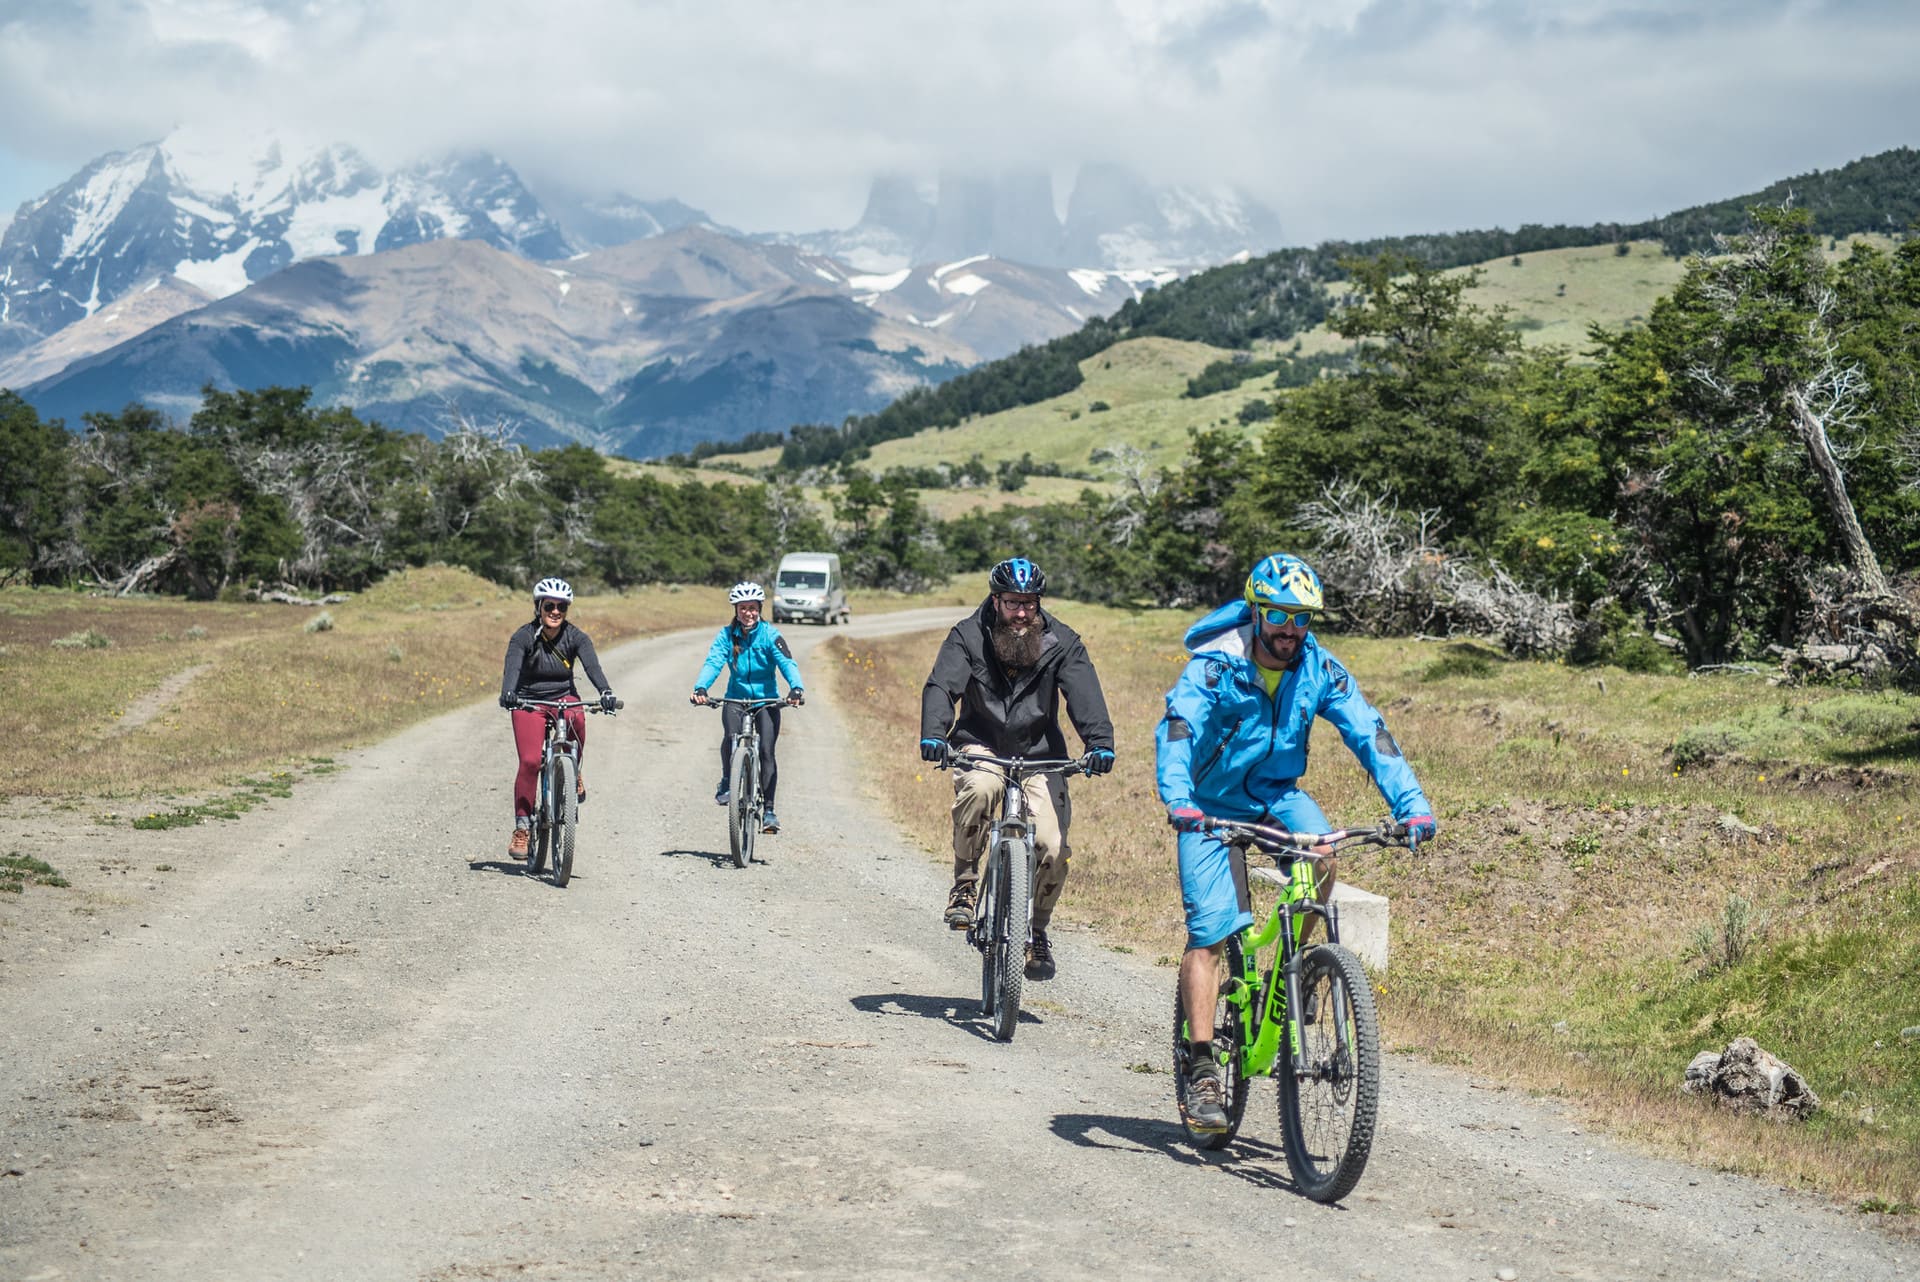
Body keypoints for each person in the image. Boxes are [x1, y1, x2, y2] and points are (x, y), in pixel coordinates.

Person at [1155, 553, 1436, 1133]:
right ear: (1257, 611)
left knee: (1323, 856)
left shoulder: (1317, 667)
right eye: (1280, 615)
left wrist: (1410, 805)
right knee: (1211, 929)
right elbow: (1180, 727)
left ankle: (1300, 971)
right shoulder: (1216, 665)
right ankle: (1205, 1067)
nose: (1290, 629)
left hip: (1276, 795)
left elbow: (1368, 729)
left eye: (1302, 618)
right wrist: (1179, 800)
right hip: (1207, 807)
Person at [918, 557, 1116, 981]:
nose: (1022, 613)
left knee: (1051, 844)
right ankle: (967, 884)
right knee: (980, 789)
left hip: (1040, 752)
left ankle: (1038, 929)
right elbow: (941, 685)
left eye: (1030, 603)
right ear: (996, 600)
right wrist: (934, 734)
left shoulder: (1062, 641)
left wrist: (1099, 743)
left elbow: (1084, 691)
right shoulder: (968, 637)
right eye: (1013, 603)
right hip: (980, 742)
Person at [498, 576, 617, 859]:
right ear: (539, 606)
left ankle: (573, 770)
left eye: (561, 607)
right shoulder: (523, 637)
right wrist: (509, 693)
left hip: (564, 696)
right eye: (549, 605)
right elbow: (512, 670)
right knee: (529, 761)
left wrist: (606, 691)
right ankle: (523, 828)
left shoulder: (576, 637)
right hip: (529, 700)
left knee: (578, 720)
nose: (555, 612)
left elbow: (592, 667)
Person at [690, 582, 805, 834]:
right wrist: (701, 688)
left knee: (766, 751)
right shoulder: (727, 635)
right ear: (736, 609)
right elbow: (714, 661)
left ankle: (770, 811)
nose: (748, 613)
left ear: (759, 609)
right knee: (730, 738)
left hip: (766, 701)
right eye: (743, 608)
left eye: (752, 608)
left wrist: (796, 688)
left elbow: (787, 663)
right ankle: (727, 782)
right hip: (736, 698)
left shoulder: (770, 635)